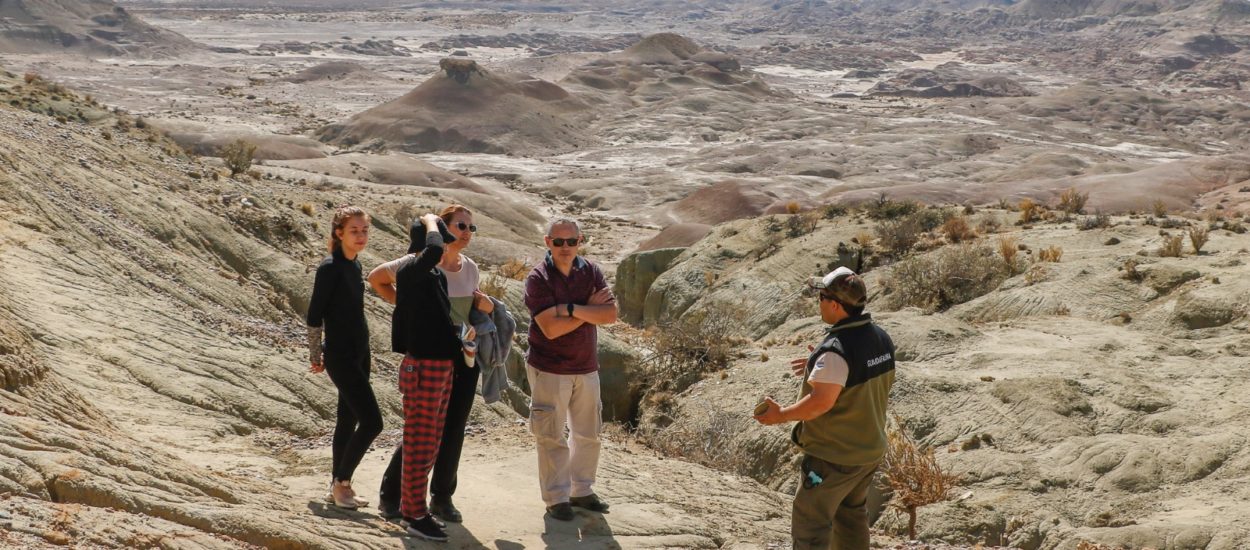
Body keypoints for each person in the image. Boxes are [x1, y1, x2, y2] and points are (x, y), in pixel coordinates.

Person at [754, 267, 896, 550]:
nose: (817, 302)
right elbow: (859, 377)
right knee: (851, 517)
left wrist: (780, 415)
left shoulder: (836, 351)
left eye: (821, 297)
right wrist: (816, 364)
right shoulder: (880, 337)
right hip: (867, 451)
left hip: (834, 456)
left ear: (834, 304)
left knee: (810, 526)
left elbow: (821, 403)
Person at [370, 205, 493, 524]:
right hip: (430, 355)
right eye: (460, 225)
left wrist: (487, 307)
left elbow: (472, 310)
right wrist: (407, 306)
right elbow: (376, 278)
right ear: (443, 228)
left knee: (453, 429)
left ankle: (442, 497)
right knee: (422, 430)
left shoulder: (470, 268)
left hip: (463, 355)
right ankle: (392, 495)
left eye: (471, 227)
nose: (466, 232)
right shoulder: (419, 263)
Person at [522, 217, 617, 521]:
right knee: (551, 435)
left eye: (571, 241)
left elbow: (611, 314)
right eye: (558, 242)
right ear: (547, 242)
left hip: (586, 366)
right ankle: (556, 497)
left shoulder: (590, 271)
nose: (565, 247)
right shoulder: (538, 278)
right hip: (550, 367)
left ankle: (582, 491)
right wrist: (588, 309)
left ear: (580, 240)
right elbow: (550, 329)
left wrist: (570, 309)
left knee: (588, 433)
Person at [386, 212, 472, 541]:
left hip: (439, 366)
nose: (447, 244)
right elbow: (434, 250)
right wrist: (430, 219)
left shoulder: (428, 273)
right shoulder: (413, 268)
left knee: (429, 444)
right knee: (420, 445)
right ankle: (414, 514)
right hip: (425, 368)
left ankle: (415, 509)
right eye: (441, 237)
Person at [305, 206, 382, 510]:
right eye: (354, 230)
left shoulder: (355, 266)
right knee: (373, 421)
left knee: (347, 420)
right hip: (340, 356)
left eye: (364, 230)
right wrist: (315, 354)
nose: (361, 236)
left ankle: (336, 487)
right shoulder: (330, 267)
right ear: (339, 233)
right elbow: (314, 315)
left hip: (360, 353)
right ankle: (343, 483)